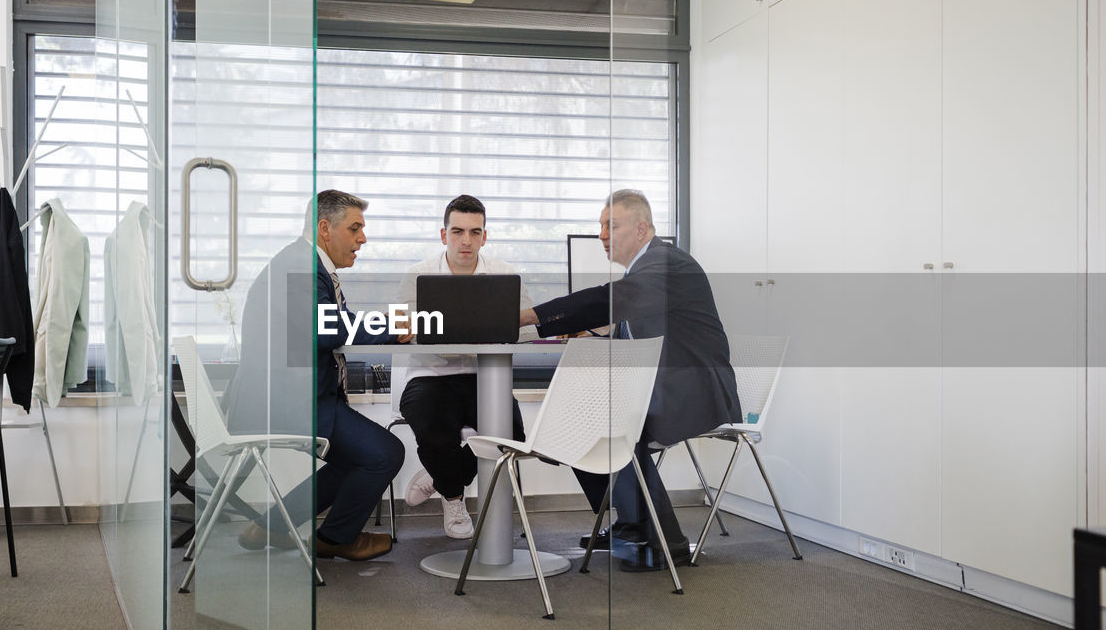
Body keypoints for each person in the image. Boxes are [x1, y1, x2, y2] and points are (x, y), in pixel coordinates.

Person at [518, 189, 740, 572]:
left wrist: (526, 317)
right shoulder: (646, 269)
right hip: (665, 385)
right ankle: (629, 523)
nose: (603, 235)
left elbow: (601, 300)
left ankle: (661, 541)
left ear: (642, 229)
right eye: (601, 226)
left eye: (611, 225)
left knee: (612, 426)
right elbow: (635, 333)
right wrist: (599, 337)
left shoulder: (665, 263)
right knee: (582, 424)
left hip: (696, 390)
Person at [230, 190, 407, 561]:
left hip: (294, 396)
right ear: (325, 228)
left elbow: (327, 325)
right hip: (288, 403)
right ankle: (336, 539)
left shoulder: (305, 265)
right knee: (385, 453)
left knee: (355, 456)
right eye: (355, 228)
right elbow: (325, 327)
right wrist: (390, 326)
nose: (363, 238)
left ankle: (271, 526)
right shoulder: (299, 266)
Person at [395, 195, 535, 538]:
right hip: (431, 376)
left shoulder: (505, 275)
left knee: (512, 436)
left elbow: (529, 327)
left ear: (484, 236)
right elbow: (398, 329)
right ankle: (454, 497)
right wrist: (411, 330)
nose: (466, 240)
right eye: (457, 231)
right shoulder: (416, 276)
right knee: (434, 425)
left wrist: (503, 327)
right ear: (444, 235)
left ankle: (440, 476)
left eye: (475, 232)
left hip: (486, 376)